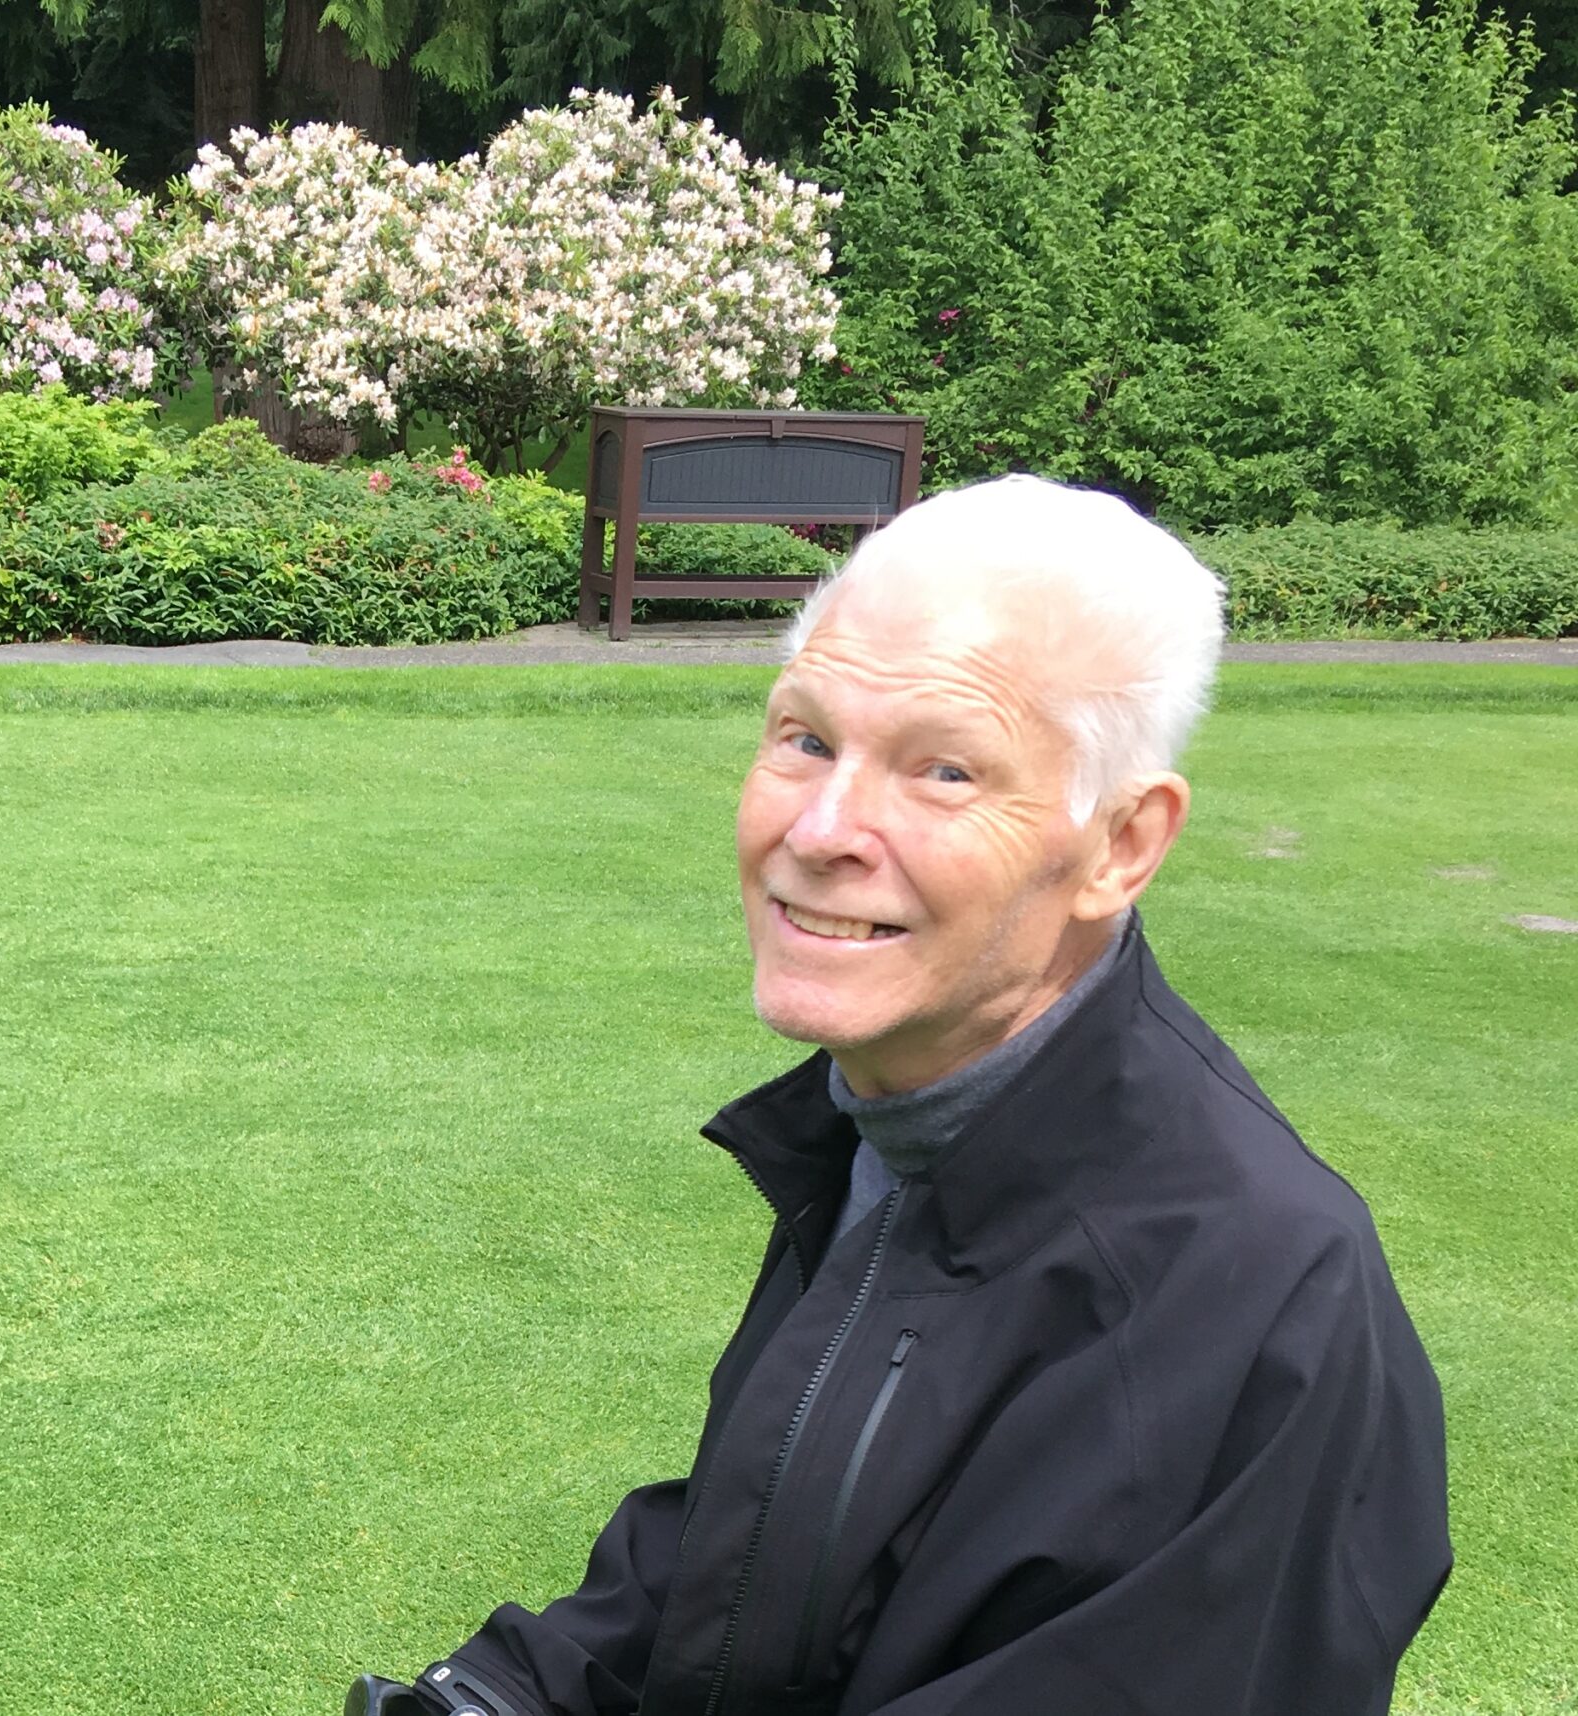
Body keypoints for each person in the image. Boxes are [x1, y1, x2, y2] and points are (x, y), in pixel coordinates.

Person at [349, 475, 1452, 1716]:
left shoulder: (1254, 1307)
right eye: (806, 738)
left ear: (1121, 845)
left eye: (944, 771)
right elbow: (772, 1545)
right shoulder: (902, 1116)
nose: (821, 829)